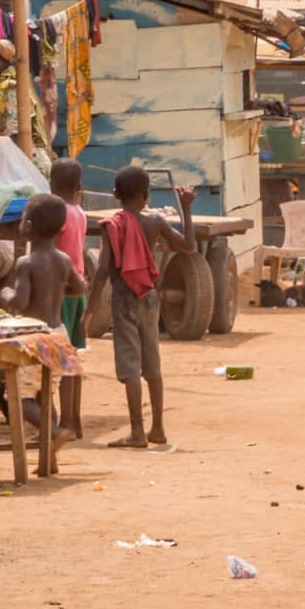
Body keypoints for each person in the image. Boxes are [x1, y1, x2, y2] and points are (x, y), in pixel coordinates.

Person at [90, 165, 195, 449]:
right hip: (149, 297)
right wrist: (185, 209)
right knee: (152, 364)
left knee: (131, 368)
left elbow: (102, 270)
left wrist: (89, 310)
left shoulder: (112, 225)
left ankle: (137, 432)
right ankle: (158, 428)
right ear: (146, 196)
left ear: (115, 195)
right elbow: (188, 246)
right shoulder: (156, 222)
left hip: (124, 298)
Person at [0, 193, 86, 455]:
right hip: (58, 335)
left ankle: (55, 432)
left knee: (18, 398)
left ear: (28, 227)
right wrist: (57, 292)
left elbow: (21, 302)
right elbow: (79, 287)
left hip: (34, 338)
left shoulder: (26, 263)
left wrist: (5, 294)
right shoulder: (63, 260)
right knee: (45, 395)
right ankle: (50, 456)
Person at [48, 159, 92, 434]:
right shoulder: (79, 212)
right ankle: (74, 419)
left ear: (51, 184)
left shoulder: (57, 214)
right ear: (78, 187)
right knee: (73, 358)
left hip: (62, 291)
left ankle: (64, 422)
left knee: (63, 361)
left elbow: (51, 254)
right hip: (78, 290)